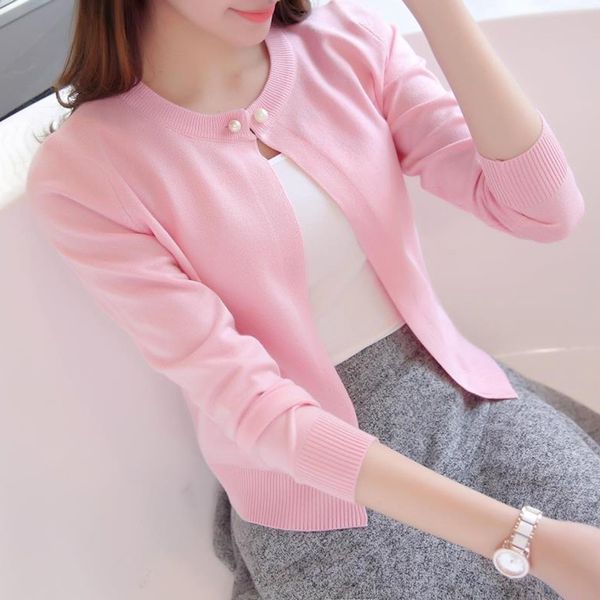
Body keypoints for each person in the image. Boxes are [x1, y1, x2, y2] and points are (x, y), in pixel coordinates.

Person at [27, 0, 600, 598]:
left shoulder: (346, 41)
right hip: (310, 485)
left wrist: (441, 13)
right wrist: (527, 539)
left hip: (456, 394)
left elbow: (545, 211)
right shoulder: (85, 172)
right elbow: (253, 406)